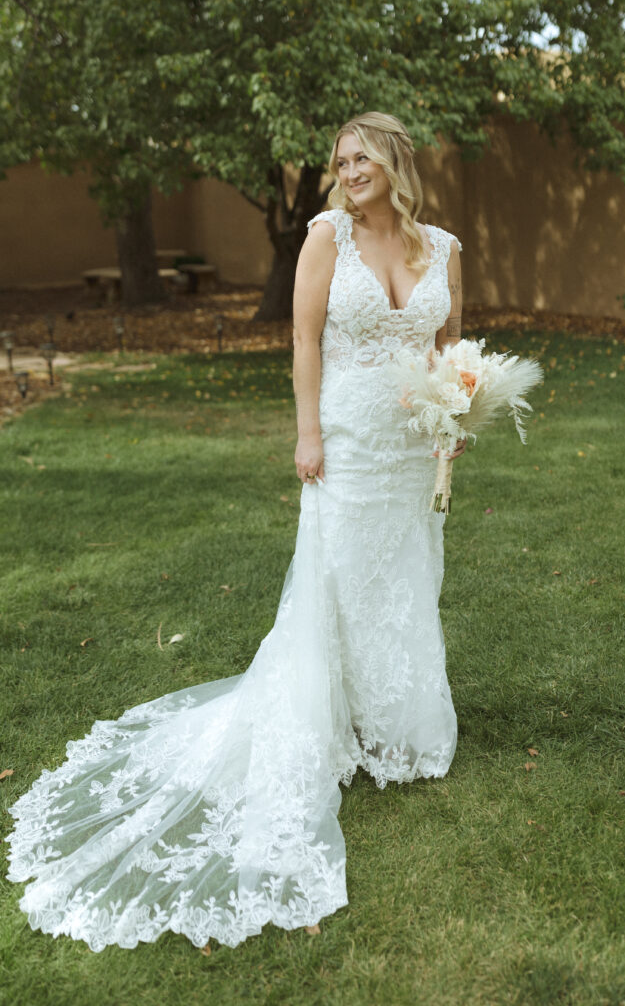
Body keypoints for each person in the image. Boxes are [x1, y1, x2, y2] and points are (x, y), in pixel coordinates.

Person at [5, 112, 466, 952]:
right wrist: (306, 433)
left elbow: (446, 339)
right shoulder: (326, 236)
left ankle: (396, 723)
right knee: (335, 577)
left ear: (395, 159)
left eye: (361, 156)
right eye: (338, 160)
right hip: (349, 439)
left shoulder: (443, 245)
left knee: (403, 577)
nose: (347, 169)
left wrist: (455, 405)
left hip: (410, 449)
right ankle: (327, 719)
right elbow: (301, 335)